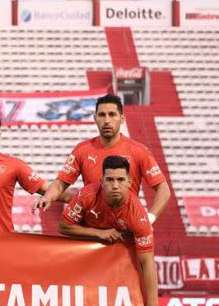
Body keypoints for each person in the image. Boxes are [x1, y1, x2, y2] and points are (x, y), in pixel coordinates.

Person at [58, 155, 164, 306]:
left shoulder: (138, 216)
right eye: (110, 180)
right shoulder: (86, 195)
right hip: (83, 257)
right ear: (102, 181)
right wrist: (99, 233)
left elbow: (147, 262)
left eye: (121, 180)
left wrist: (153, 305)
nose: (115, 185)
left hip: (112, 265)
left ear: (129, 182)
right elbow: (63, 226)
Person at [35, 94, 170, 225]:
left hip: (126, 228)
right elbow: (60, 184)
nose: (106, 120)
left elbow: (163, 189)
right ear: (95, 118)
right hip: (92, 228)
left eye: (112, 115)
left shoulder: (139, 151)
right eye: (102, 115)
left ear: (122, 118)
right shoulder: (82, 149)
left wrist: (150, 218)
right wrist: (48, 197)